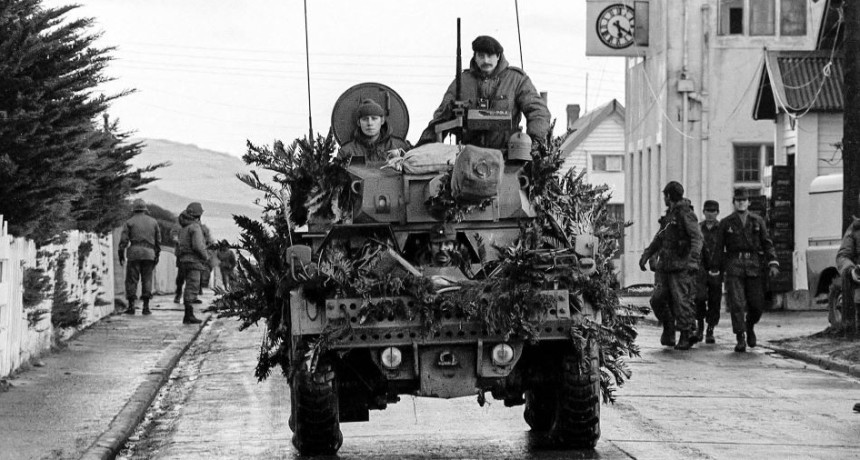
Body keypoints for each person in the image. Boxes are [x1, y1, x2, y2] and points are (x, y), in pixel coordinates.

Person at [416, 35, 551, 150]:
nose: (485, 60)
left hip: (507, 158)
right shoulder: (462, 81)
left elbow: (538, 112)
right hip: (468, 158)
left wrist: (536, 145)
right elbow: (441, 117)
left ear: (498, 56)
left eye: (490, 55)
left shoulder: (516, 80)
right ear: (475, 57)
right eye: (481, 55)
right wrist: (423, 147)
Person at [712, 188, 779, 352]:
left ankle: (750, 326)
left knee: (756, 305)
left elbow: (767, 242)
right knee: (737, 303)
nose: (741, 203)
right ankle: (740, 336)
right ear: (733, 202)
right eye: (738, 200)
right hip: (734, 265)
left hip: (754, 266)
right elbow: (719, 247)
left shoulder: (757, 221)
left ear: (749, 202)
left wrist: (773, 262)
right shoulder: (726, 223)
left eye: (744, 200)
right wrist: (715, 268)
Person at [639, 181, 703, 350]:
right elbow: (660, 237)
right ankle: (669, 327)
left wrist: (693, 261)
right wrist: (647, 254)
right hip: (665, 266)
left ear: (668, 196)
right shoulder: (670, 215)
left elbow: (697, 238)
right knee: (657, 300)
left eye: (665, 196)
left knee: (681, 301)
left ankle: (685, 334)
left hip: (681, 266)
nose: (664, 199)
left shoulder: (685, 214)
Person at [118, 199, 161, 315]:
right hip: (149, 253)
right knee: (147, 279)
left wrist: (121, 253)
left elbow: (124, 241)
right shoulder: (153, 222)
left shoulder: (129, 222)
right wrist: (157, 254)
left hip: (134, 253)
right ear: (145, 209)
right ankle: (146, 307)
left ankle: (131, 306)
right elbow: (158, 241)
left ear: (134, 209)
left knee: (132, 280)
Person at [338, 99, 410, 163]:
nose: (370, 123)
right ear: (359, 123)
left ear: (382, 121)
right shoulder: (347, 151)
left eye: (374, 118)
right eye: (365, 119)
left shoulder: (399, 147)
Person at [693, 199, 723, 344]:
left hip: (716, 269)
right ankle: (699, 327)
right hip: (701, 269)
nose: (710, 214)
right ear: (703, 212)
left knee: (714, 299)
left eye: (713, 211)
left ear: (717, 212)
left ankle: (710, 329)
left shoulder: (721, 228)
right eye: (708, 211)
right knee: (699, 298)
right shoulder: (698, 228)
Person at [176, 202, 208, 324]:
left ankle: (188, 314)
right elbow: (198, 246)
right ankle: (188, 315)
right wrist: (205, 257)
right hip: (194, 260)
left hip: (184, 260)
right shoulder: (195, 227)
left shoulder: (183, 227)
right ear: (198, 215)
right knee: (192, 286)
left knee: (187, 286)